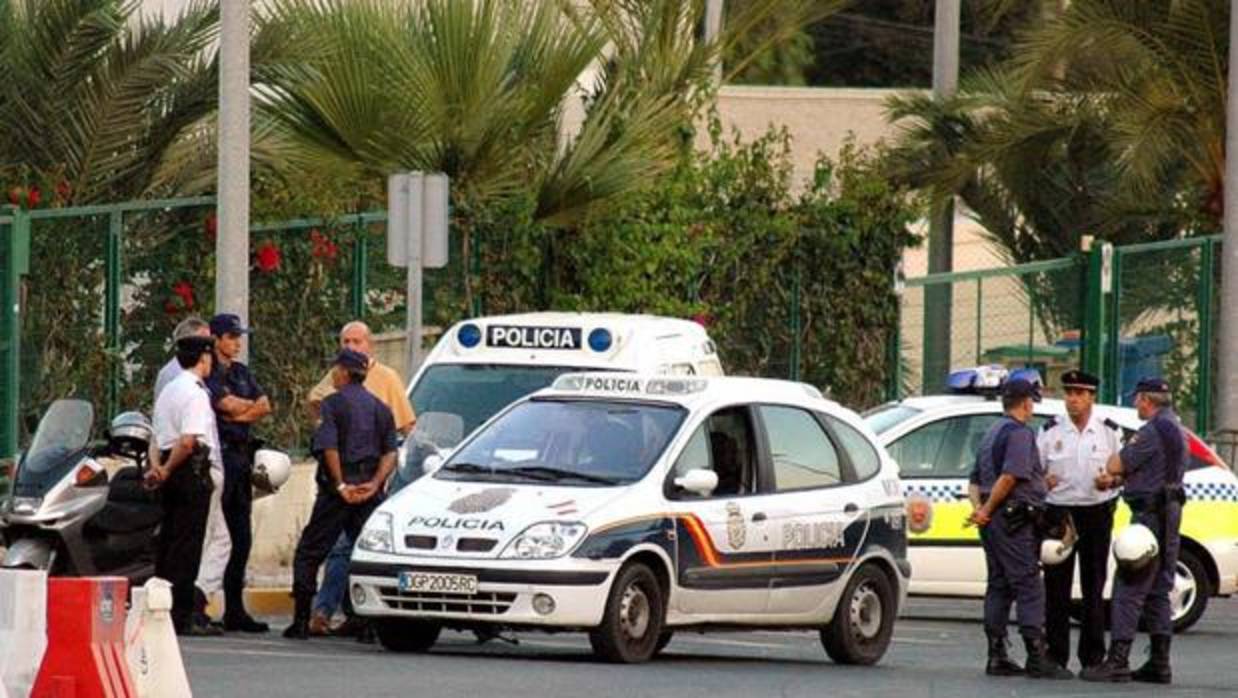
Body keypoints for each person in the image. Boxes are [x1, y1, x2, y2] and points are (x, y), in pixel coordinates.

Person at [305, 321, 415, 637]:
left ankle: (346, 613)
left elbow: (406, 428)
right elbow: (316, 404)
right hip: (341, 477)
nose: (351, 346)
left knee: (359, 545)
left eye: (357, 341)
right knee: (338, 546)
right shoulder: (336, 377)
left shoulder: (388, 379)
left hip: (372, 477)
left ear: (370, 346)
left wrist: (386, 474)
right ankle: (327, 612)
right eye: (346, 341)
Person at [284, 348, 399, 640]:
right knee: (368, 555)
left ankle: (300, 621)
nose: (333, 374)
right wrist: (373, 484)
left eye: (335, 369)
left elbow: (330, 447)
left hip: (338, 493)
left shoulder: (332, 405)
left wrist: (340, 485)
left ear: (345, 373)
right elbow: (390, 453)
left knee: (310, 552)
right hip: (368, 491)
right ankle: (368, 623)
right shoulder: (380, 408)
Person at [1082, 377, 1186, 684]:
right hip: (1167, 513)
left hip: (1150, 517)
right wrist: (1121, 482)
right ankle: (1159, 661)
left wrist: (1114, 472)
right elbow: (1150, 472)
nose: (1135, 404)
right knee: (1158, 590)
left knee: (1128, 586)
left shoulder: (1152, 431)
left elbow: (1116, 464)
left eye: (1137, 399)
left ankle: (1117, 660)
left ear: (1146, 400)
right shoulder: (1175, 428)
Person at [967, 378, 1072, 680]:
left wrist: (980, 510)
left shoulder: (991, 433)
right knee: (1028, 584)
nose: (1033, 408)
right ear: (1026, 403)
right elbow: (1010, 476)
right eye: (1032, 402)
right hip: (1013, 520)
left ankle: (996, 654)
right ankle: (1037, 655)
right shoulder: (1019, 434)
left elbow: (974, 480)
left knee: (999, 584)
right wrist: (987, 510)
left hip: (993, 520)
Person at [1037, 370, 1121, 672]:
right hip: (1059, 512)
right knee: (1056, 587)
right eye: (1069, 393)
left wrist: (1110, 481)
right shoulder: (1050, 432)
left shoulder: (1108, 432)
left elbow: (1122, 473)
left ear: (1091, 397)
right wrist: (1043, 482)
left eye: (1079, 393)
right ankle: (1055, 656)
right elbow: (1036, 471)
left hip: (1095, 512)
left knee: (1093, 586)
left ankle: (1093, 658)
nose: (1072, 399)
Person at [154, 316, 232, 632]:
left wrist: (158, 468)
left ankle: (162, 606)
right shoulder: (196, 392)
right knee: (190, 545)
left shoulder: (169, 389)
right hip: (191, 470)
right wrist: (171, 467)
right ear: (204, 358)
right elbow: (188, 441)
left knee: (170, 542)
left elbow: (156, 438)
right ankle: (184, 614)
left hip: (168, 467)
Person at [206, 313, 272, 633]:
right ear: (216, 338)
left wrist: (241, 412)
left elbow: (264, 405)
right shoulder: (209, 373)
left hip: (242, 460)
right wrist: (243, 411)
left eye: (238, 337)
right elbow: (225, 406)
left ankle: (235, 609)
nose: (236, 342)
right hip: (220, 459)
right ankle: (200, 603)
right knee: (213, 537)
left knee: (241, 539)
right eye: (231, 337)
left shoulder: (242, 372)